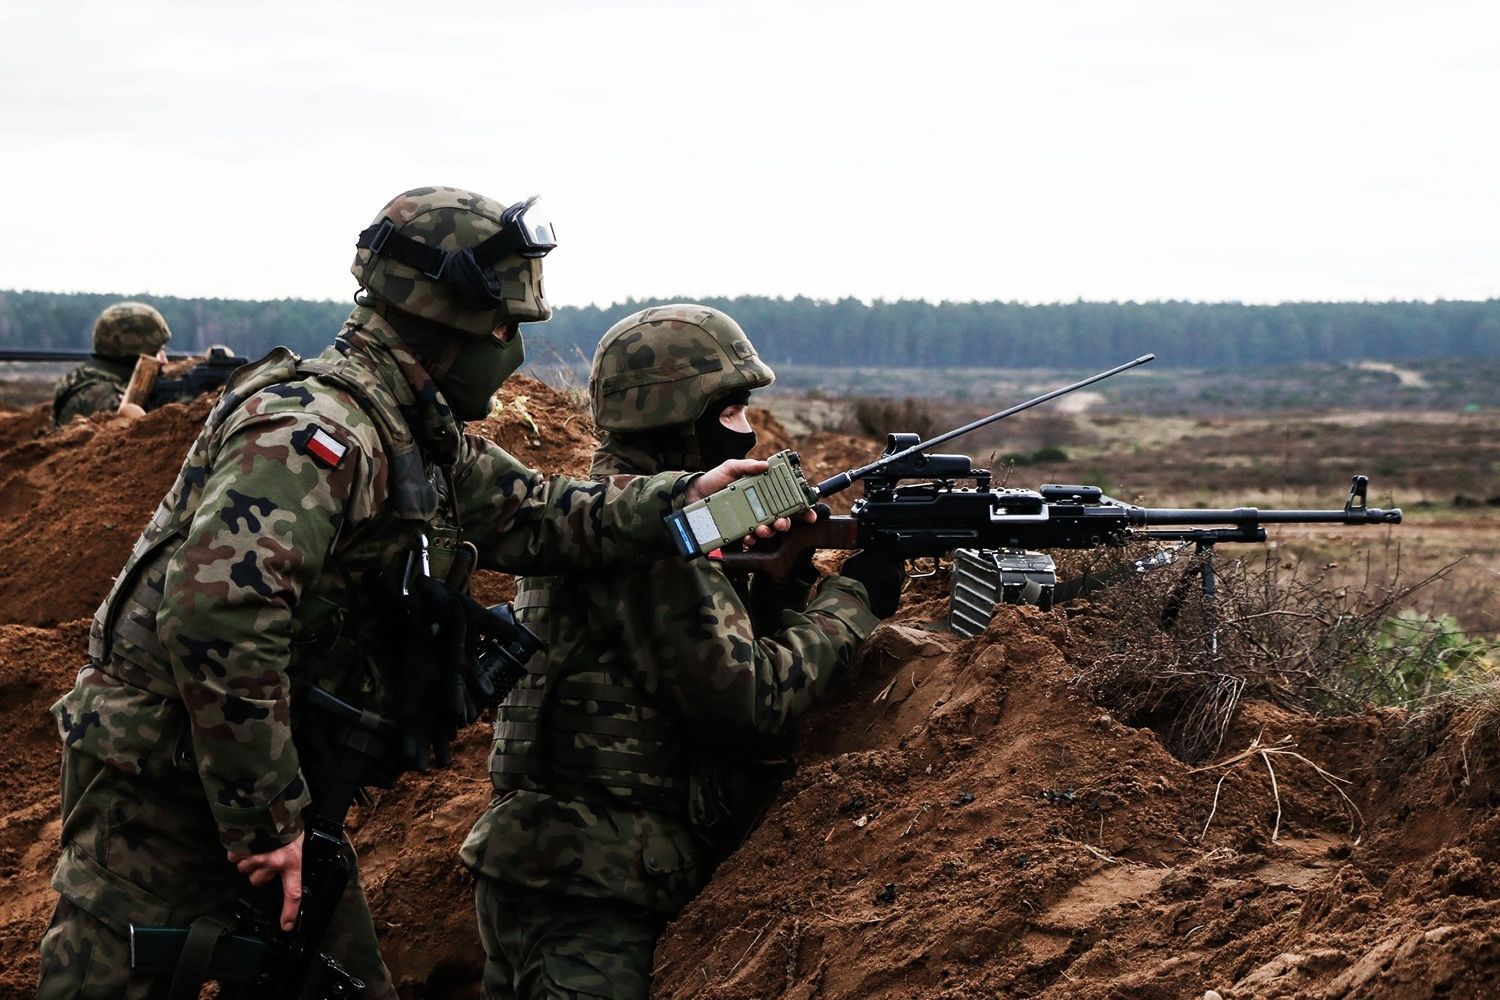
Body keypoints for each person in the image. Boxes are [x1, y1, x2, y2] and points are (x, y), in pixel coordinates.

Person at [35, 191, 779, 1000]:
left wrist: (692, 496)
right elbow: (216, 617)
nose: (516, 353)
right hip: (164, 786)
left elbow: (538, 515)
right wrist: (265, 819)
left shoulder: (407, 427)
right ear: (445, 322)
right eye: (506, 330)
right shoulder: (316, 430)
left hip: (263, 777)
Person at [460, 303, 906, 1000]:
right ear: (673, 418)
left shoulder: (600, 513)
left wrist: (776, 575)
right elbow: (749, 702)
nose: (747, 427)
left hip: (553, 869)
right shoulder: (653, 547)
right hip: (597, 889)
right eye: (728, 410)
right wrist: (851, 602)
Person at [51, 301, 171, 423]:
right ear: (137, 356)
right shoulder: (103, 396)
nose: (164, 361)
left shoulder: (83, 378)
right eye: (157, 352)